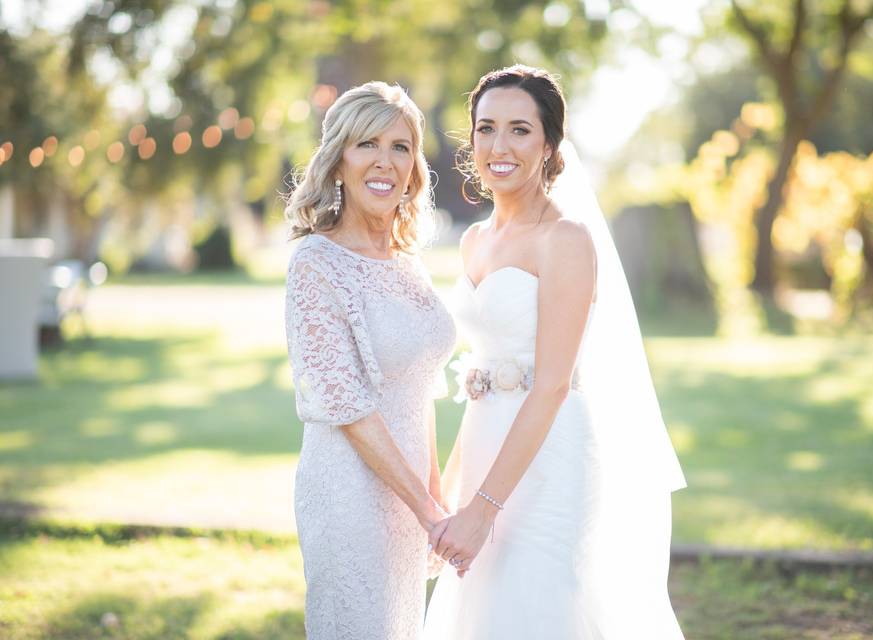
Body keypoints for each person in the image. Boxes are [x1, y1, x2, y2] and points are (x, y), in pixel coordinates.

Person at [424, 65, 687, 639]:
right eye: (486, 128)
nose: (500, 145)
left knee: (537, 605)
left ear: (549, 145)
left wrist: (483, 511)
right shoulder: (474, 240)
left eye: (519, 129)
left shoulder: (566, 240)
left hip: (550, 457)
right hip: (488, 450)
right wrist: (450, 493)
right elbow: (482, 375)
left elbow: (550, 386)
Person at [284, 81, 455, 640]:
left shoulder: (410, 266)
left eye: (401, 146)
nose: (385, 162)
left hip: (408, 502)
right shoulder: (315, 264)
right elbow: (349, 408)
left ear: (414, 168)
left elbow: (421, 386)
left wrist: (432, 497)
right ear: (338, 162)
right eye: (367, 145)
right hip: (349, 497)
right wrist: (427, 511)